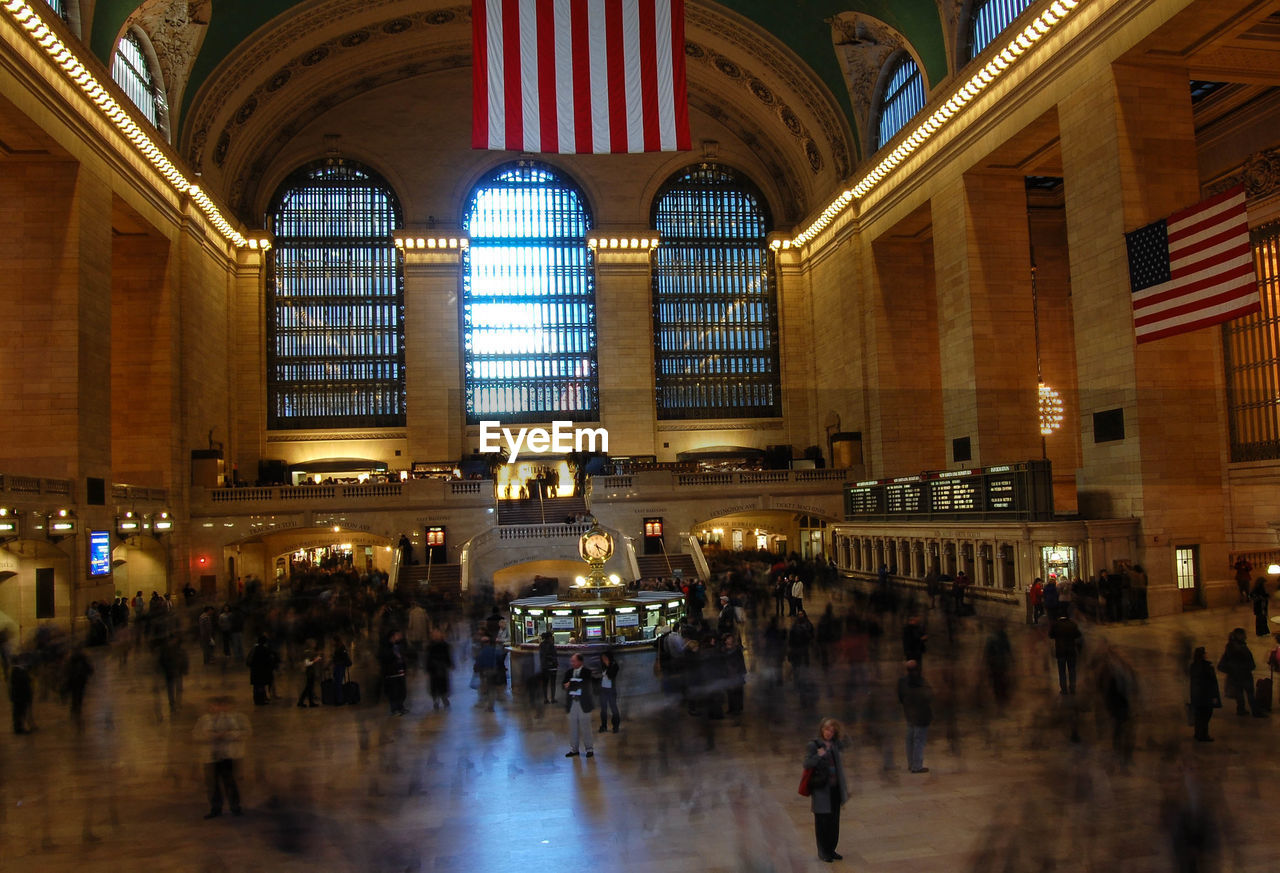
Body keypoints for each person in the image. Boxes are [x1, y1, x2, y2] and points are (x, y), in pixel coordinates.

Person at [193, 695, 250, 818]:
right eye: (215, 706)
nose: (218, 708)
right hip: (210, 757)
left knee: (229, 782)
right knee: (212, 784)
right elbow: (196, 735)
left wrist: (228, 735)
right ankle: (216, 808)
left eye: (221, 705)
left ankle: (235, 807)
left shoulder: (236, 718)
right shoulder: (204, 720)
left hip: (228, 756)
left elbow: (245, 733)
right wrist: (210, 736)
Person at [803, 717, 850, 862]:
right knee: (822, 823)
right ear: (821, 730)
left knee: (834, 822)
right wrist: (818, 755)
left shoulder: (835, 744)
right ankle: (823, 852)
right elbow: (807, 763)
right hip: (822, 791)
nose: (828, 733)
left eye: (831, 730)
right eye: (826, 729)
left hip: (835, 790)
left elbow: (848, 743)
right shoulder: (814, 745)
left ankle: (831, 849)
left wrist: (843, 731)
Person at [897, 660, 933, 773]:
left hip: (909, 715)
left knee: (910, 740)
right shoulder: (921, 682)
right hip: (921, 716)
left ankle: (911, 764)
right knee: (918, 741)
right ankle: (916, 766)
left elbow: (901, 698)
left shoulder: (902, 682)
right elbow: (929, 697)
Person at [1218, 627, 1262, 717]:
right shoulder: (1237, 647)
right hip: (1243, 674)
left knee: (1240, 694)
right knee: (1249, 694)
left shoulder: (1233, 645)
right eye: (1243, 634)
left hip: (1238, 675)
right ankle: (1254, 711)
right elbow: (1243, 659)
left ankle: (1241, 710)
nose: (1245, 636)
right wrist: (1248, 667)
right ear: (1238, 635)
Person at [562, 653, 595, 758]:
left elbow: (584, 684)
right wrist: (570, 684)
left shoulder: (587, 672)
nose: (572, 663)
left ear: (580, 662)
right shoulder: (569, 672)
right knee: (573, 727)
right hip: (572, 702)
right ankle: (574, 749)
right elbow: (564, 684)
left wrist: (571, 684)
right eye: (571, 661)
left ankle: (589, 748)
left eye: (574, 661)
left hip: (583, 703)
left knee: (586, 726)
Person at [1188, 646, 1221, 742]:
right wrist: (1214, 696)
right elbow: (1212, 682)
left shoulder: (1193, 666)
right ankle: (1203, 735)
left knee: (1199, 716)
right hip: (1206, 695)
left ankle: (1198, 733)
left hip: (1197, 695)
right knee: (1206, 715)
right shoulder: (1207, 667)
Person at [1048, 611, 1083, 694]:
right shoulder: (1072, 624)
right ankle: (1072, 688)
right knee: (1072, 670)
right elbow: (1078, 635)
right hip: (1071, 651)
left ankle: (1064, 689)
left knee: (1062, 671)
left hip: (1060, 652)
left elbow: (1050, 635)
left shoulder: (1055, 625)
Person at [380, 630, 409, 715]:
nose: (399, 636)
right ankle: (394, 709)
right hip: (391, 673)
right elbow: (385, 657)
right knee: (393, 692)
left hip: (400, 671)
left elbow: (402, 657)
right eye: (397, 635)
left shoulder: (399, 645)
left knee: (402, 692)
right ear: (392, 637)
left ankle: (400, 707)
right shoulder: (386, 646)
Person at [425, 628, 453, 709]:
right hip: (434, 668)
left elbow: (448, 655)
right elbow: (428, 658)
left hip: (442, 667)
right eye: (434, 634)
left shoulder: (445, 645)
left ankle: (443, 698)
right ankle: (436, 700)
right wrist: (428, 668)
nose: (436, 636)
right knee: (435, 685)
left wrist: (449, 663)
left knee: (442, 684)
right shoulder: (430, 646)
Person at [246, 634, 278, 706]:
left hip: (254, 670)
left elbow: (248, 661)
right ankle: (261, 700)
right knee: (261, 685)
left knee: (256, 686)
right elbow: (270, 660)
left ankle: (256, 699)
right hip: (262, 671)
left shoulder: (254, 648)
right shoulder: (265, 650)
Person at [9, 655, 34, 734]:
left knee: (20, 712)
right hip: (20, 697)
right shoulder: (17, 671)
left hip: (20, 696)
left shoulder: (18, 670)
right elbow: (22, 683)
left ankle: (21, 727)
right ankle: (19, 728)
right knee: (19, 712)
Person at [597, 650, 621, 733]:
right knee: (603, 709)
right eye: (602, 658)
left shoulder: (614, 665)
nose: (603, 659)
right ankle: (603, 726)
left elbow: (611, 676)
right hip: (603, 689)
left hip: (611, 689)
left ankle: (615, 726)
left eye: (605, 658)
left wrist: (608, 666)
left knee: (613, 708)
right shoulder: (602, 665)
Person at [297, 640, 320, 707]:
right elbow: (307, 663)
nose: (315, 644)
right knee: (308, 688)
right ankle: (302, 702)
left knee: (309, 688)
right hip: (309, 672)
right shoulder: (307, 652)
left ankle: (310, 702)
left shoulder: (309, 652)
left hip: (310, 672)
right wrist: (315, 660)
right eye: (313, 643)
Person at [538, 630, 559, 704]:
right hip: (552, 666)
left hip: (544, 666)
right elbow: (554, 655)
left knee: (545, 683)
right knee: (552, 683)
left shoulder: (541, 645)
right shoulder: (551, 645)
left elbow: (541, 656)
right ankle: (552, 698)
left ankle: (545, 699)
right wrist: (555, 662)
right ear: (550, 637)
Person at [331, 636, 352, 705]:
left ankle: (339, 700)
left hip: (340, 667)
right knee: (337, 683)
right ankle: (338, 699)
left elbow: (344, 658)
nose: (332, 642)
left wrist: (337, 662)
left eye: (333, 641)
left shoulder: (341, 648)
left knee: (338, 683)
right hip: (338, 667)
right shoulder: (338, 648)